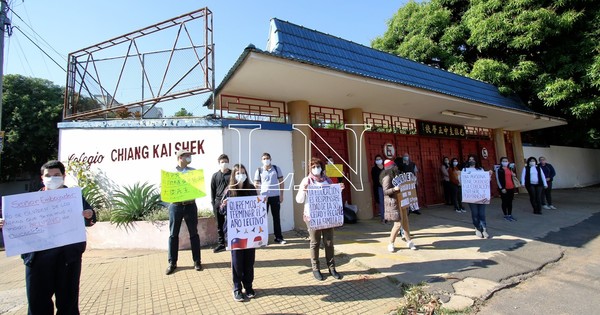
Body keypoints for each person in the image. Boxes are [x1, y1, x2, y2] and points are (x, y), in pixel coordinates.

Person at [0, 160, 96, 314]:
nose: (52, 178)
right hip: (37, 260)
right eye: (48, 175)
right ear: (42, 178)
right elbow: (15, 225)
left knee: (68, 303)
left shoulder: (73, 198)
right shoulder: (27, 202)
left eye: (56, 175)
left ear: (63, 176)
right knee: (37, 303)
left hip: (67, 259)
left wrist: (89, 215)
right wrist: (5, 224)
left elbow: (90, 218)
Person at [295, 157, 343, 281]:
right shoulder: (306, 180)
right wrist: (304, 190)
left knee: (329, 242)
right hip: (312, 217)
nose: (316, 169)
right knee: (315, 243)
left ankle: (332, 267)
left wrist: (339, 189)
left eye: (318, 166)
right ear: (310, 169)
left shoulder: (327, 180)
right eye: (313, 167)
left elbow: (333, 196)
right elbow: (299, 200)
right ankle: (316, 268)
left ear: (322, 167)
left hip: (327, 217)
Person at [220, 164, 258, 302]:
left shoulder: (251, 188)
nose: (241, 175)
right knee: (237, 261)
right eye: (238, 173)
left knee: (249, 260)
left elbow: (257, 207)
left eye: (243, 173)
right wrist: (224, 206)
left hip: (250, 233)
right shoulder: (229, 190)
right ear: (233, 176)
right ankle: (237, 288)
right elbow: (221, 210)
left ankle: (248, 286)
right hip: (235, 234)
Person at [166, 150, 202, 275]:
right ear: (180, 158)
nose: (189, 158)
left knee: (194, 234)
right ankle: (172, 262)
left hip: (190, 205)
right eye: (187, 156)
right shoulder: (170, 173)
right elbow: (165, 189)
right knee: (173, 234)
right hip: (175, 206)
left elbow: (198, 188)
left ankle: (197, 261)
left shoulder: (193, 172)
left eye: (190, 156)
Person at [380, 159, 417, 252]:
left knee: (405, 222)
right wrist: (394, 189)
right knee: (398, 224)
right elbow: (385, 191)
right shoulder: (387, 177)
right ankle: (391, 243)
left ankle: (409, 241)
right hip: (394, 203)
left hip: (402, 201)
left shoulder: (396, 175)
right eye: (394, 166)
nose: (396, 167)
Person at [254, 152, 286, 244]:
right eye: (264, 159)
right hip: (264, 198)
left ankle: (278, 237)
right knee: (263, 219)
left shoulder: (276, 169)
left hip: (275, 196)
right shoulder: (259, 170)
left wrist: (281, 194)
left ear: (270, 159)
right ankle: (263, 238)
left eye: (267, 158)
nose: (266, 160)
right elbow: (256, 185)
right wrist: (258, 197)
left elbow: (281, 182)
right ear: (261, 160)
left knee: (276, 217)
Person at [463, 154, 492, 238]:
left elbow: (486, 180)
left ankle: (484, 229)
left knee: (482, 213)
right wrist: (459, 175)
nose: (471, 160)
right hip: (471, 195)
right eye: (470, 159)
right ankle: (477, 228)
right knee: (475, 213)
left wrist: (489, 175)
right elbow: (462, 182)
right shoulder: (465, 170)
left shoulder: (481, 170)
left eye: (473, 159)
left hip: (481, 195)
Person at [210, 154, 232, 253]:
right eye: (222, 162)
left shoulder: (233, 174)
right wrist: (213, 204)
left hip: (231, 201)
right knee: (220, 224)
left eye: (226, 161)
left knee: (232, 223)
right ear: (219, 163)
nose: (224, 163)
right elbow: (212, 191)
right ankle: (221, 243)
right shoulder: (215, 176)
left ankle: (232, 242)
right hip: (218, 202)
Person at [495, 157, 517, 221]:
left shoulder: (509, 168)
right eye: (503, 161)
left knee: (510, 202)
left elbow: (513, 175)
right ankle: (505, 215)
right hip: (504, 188)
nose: (505, 162)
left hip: (511, 187)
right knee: (504, 201)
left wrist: (513, 174)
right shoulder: (498, 169)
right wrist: (501, 188)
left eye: (506, 161)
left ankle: (510, 214)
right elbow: (498, 179)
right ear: (501, 162)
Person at [371, 154, 386, 223]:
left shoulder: (385, 167)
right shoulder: (374, 169)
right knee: (381, 202)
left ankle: (389, 216)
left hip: (387, 187)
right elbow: (374, 179)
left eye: (379, 159)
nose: (378, 160)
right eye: (377, 159)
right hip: (379, 187)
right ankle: (383, 218)